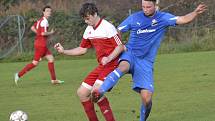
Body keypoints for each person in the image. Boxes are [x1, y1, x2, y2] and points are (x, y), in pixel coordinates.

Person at [91, 0, 207, 121]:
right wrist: (119, 45)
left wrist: (195, 12)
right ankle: (100, 91)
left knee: (147, 99)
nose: (145, 9)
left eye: (148, 7)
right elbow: (117, 31)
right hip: (130, 54)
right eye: (143, 7)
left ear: (155, 5)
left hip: (145, 62)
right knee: (123, 67)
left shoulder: (163, 18)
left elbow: (182, 19)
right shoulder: (134, 18)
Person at [54, 3, 124, 121]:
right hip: (102, 66)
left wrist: (109, 58)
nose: (86, 21)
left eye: (88, 18)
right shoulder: (88, 30)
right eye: (84, 19)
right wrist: (64, 51)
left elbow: (120, 46)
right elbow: (82, 50)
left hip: (113, 64)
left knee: (95, 93)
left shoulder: (108, 27)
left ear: (95, 14)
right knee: (81, 93)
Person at [14, 5, 64, 85]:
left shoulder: (40, 20)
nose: (49, 12)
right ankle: (18, 75)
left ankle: (54, 80)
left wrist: (39, 34)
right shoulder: (45, 21)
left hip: (40, 43)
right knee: (35, 63)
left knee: (51, 59)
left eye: (50, 11)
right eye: (47, 11)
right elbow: (43, 33)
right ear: (43, 12)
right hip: (41, 45)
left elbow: (32, 28)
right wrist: (51, 32)